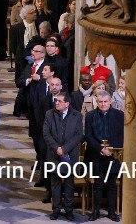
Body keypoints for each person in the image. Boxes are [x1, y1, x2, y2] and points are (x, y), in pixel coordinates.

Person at [43, 93, 83, 221]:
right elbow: (46, 133)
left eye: (59, 101)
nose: (56, 103)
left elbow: (78, 135)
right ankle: (56, 209)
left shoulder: (77, 115)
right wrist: (57, 148)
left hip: (70, 154)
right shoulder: (50, 114)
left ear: (67, 103)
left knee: (69, 183)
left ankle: (69, 210)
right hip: (54, 154)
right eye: (56, 101)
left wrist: (64, 149)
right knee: (55, 183)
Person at [84, 91, 123, 221]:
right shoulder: (90, 116)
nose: (103, 104)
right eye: (100, 102)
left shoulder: (119, 115)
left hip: (114, 155)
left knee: (112, 185)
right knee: (98, 185)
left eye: (105, 101)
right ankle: (95, 212)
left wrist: (111, 149)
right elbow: (88, 136)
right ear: (96, 101)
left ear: (110, 101)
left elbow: (122, 135)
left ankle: (112, 212)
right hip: (96, 155)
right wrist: (101, 149)